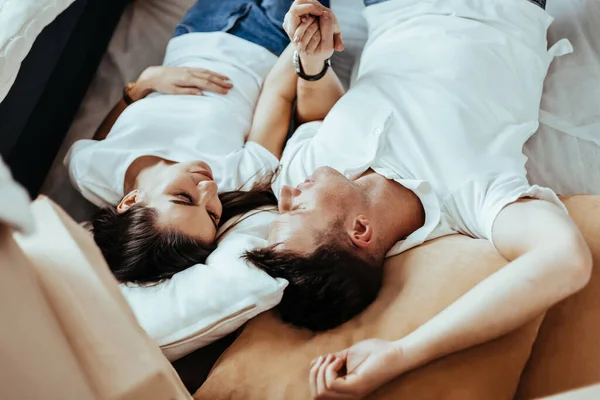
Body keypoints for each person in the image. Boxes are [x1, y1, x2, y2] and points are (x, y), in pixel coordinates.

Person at [242, 0, 592, 397]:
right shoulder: (468, 194)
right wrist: (401, 353)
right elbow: (565, 259)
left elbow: (318, 117)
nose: (286, 193)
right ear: (360, 229)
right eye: (298, 209)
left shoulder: (308, 170)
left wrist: (314, 63)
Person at [65, 0, 330, 284]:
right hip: (272, 39)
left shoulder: (90, 172)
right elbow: (277, 92)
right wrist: (302, 37)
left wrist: (143, 84)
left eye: (184, 198)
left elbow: (102, 141)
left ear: (131, 200)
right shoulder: (241, 178)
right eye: (213, 214)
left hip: (197, 31)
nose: (209, 188)